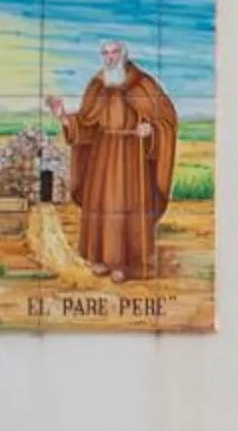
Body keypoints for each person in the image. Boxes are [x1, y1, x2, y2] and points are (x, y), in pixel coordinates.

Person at [43, 39, 180, 282]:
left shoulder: (143, 84)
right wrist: (64, 117)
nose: (110, 57)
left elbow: (167, 120)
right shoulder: (97, 86)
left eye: (115, 52)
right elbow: (85, 125)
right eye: (105, 53)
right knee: (103, 206)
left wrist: (151, 130)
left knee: (127, 205)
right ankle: (100, 259)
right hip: (102, 156)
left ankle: (124, 264)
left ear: (124, 55)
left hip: (132, 155)